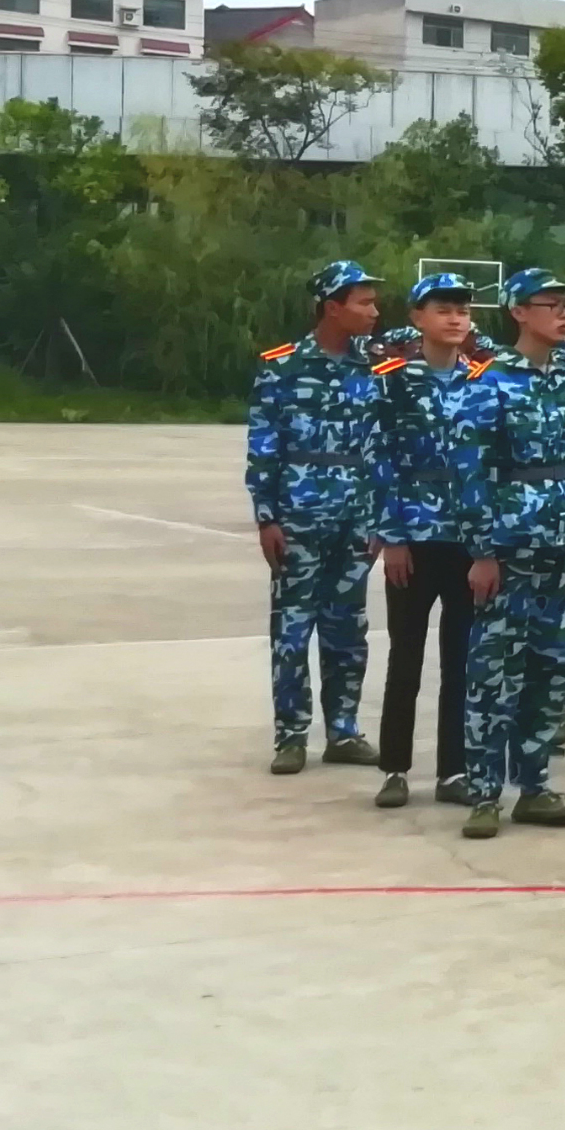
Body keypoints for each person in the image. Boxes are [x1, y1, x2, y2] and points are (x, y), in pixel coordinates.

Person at [456, 269, 565, 840]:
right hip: (509, 550)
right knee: (494, 675)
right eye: (551, 305)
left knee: (549, 672)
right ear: (518, 312)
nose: (564, 314)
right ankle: (484, 792)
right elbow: (470, 472)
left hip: (560, 550)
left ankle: (535, 786)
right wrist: (481, 550)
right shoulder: (489, 383)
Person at [249, 259, 387, 774]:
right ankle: (291, 736)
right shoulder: (283, 365)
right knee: (292, 631)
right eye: (364, 303)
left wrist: (380, 517)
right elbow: (264, 445)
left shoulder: (374, 367)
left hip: (355, 517)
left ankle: (344, 731)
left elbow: (382, 447)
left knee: (348, 630)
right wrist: (267, 516)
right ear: (333, 307)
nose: (374, 312)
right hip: (299, 517)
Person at [370, 272, 498, 810]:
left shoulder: (484, 382)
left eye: (462, 310)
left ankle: (454, 770)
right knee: (405, 657)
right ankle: (395, 767)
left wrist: (487, 545)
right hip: (414, 538)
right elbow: (380, 460)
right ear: (417, 318)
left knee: (462, 662)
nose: (455, 318)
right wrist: (392, 537)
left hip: (466, 541)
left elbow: (492, 466)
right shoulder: (393, 381)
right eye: (442, 309)